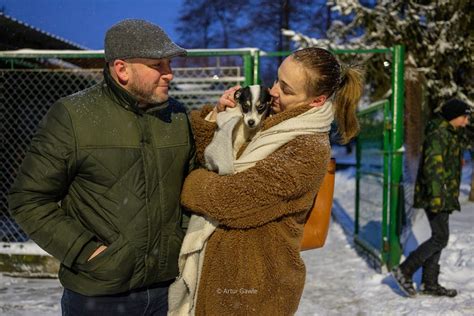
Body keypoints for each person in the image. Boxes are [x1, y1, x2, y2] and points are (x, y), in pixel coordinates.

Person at [8, 19, 195, 315]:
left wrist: (181, 241)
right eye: (158, 65)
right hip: (100, 297)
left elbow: (195, 185)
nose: (169, 74)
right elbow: (28, 199)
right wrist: (87, 252)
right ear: (122, 69)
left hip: (169, 289)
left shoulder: (178, 117)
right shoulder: (73, 116)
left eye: (169, 63)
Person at [172, 47, 363, 315]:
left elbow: (228, 200)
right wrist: (219, 118)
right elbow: (215, 161)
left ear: (317, 101)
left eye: (286, 89)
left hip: (255, 288)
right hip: (227, 275)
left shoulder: (306, 148)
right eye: (276, 80)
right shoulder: (271, 121)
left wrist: (190, 181)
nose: (273, 91)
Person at [393, 99, 471, 298]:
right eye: (464, 116)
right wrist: (437, 197)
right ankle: (405, 270)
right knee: (440, 237)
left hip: (443, 194)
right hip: (436, 195)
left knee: (439, 237)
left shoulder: (450, 133)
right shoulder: (439, 134)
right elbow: (432, 169)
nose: (467, 121)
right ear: (454, 116)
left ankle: (429, 283)